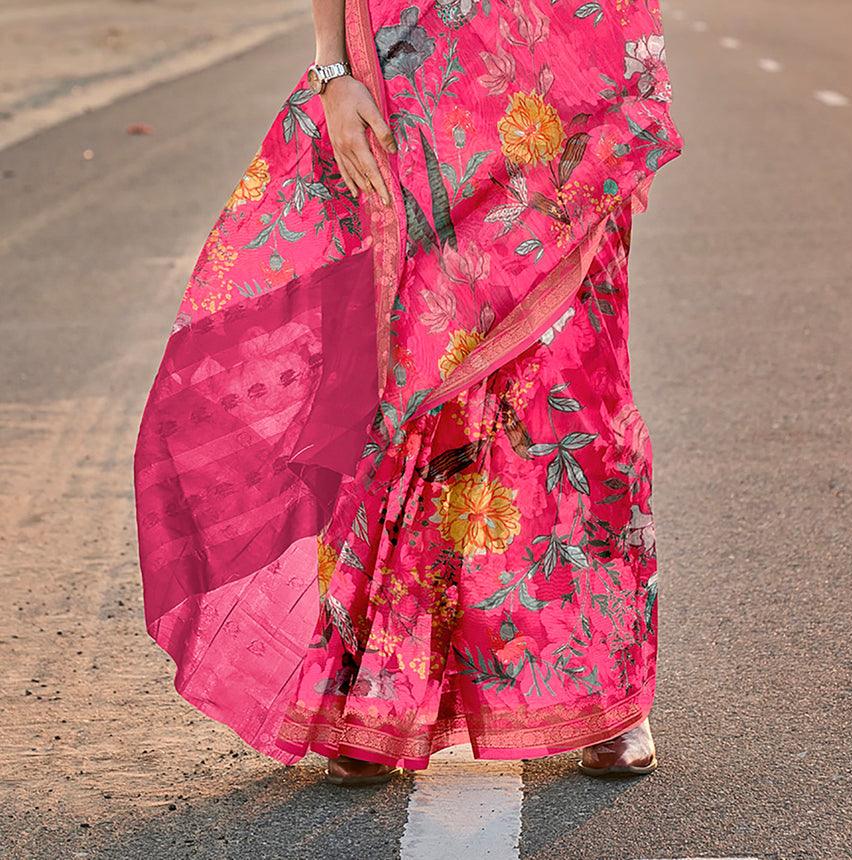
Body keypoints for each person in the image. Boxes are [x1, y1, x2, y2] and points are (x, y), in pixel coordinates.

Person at [134, 0, 683, 787]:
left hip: (565, 86)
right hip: (421, 88)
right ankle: (373, 698)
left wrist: (633, 100)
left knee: (575, 396)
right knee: (409, 393)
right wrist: (334, 72)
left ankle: (604, 696)